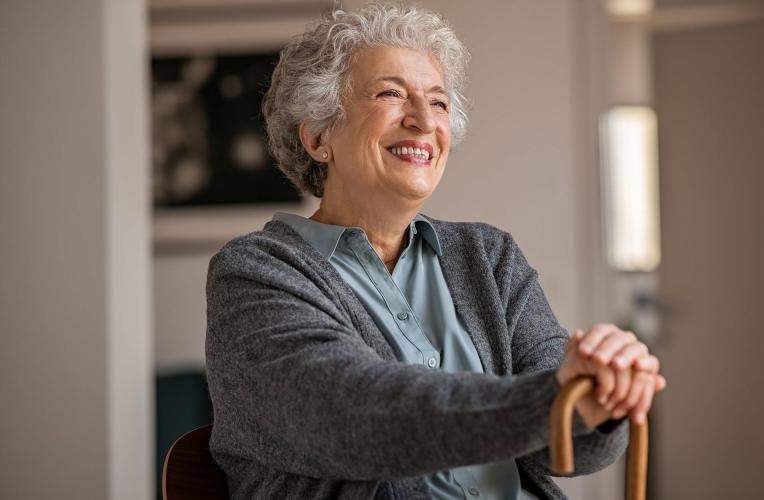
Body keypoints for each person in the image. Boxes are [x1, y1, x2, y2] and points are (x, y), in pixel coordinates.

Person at [205, 4, 666, 499]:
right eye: (391, 94)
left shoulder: (488, 257)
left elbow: (570, 450)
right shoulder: (255, 272)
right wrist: (554, 398)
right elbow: (350, 417)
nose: (424, 121)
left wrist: (602, 390)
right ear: (319, 137)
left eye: (439, 102)